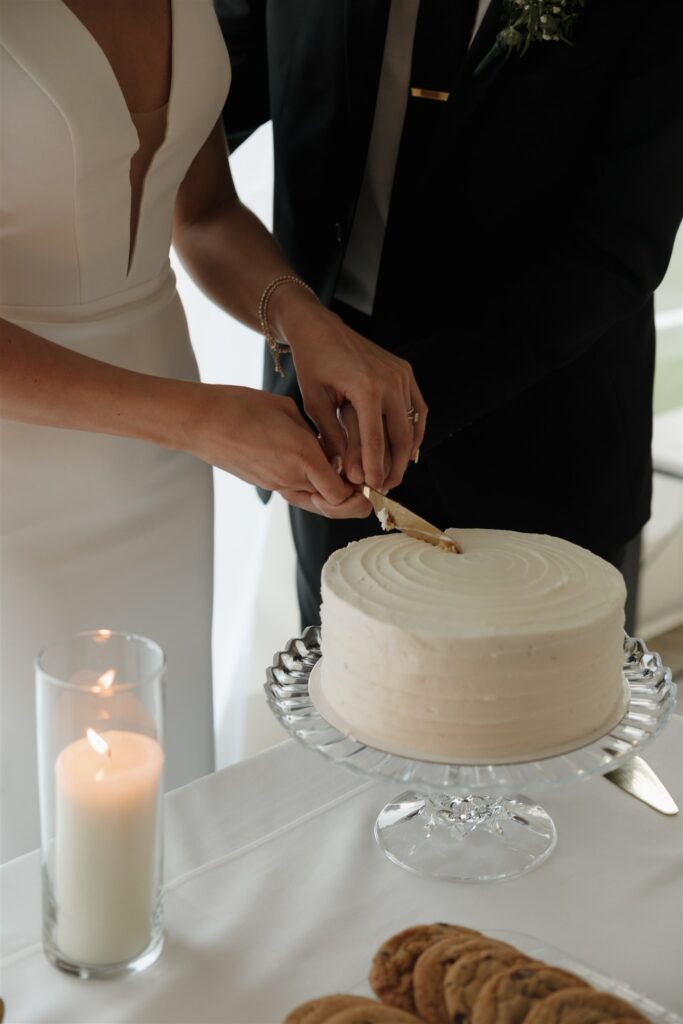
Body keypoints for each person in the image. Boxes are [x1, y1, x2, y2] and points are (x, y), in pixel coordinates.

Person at [0, 0, 426, 861]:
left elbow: (199, 213)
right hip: (24, 468)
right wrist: (195, 418)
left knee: (157, 787)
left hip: (163, 473)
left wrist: (303, 320)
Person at [216, 0, 683, 635]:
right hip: (328, 419)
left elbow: (619, 246)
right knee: (341, 702)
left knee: (548, 720)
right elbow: (189, 110)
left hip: (548, 439)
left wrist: (406, 404)